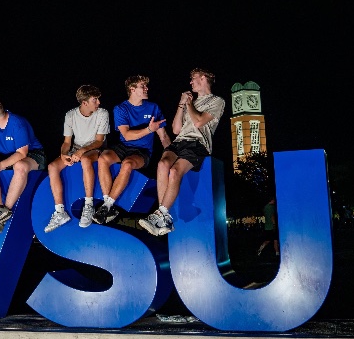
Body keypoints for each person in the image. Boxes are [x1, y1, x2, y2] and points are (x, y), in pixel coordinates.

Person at [139, 68, 225, 236]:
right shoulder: (187, 103)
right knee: (163, 164)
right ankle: (163, 215)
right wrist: (181, 104)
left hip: (197, 144)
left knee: (175, 171)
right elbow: (176, 129)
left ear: (203, 78)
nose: (191, 82)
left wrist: (189, 104)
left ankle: (162, 215)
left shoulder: (217, 101)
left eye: (193, 79)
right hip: (179, 143)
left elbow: (199, 122)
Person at [92, 75, 171, 224]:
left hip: (142, 152)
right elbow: (127, 136)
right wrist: (149, 129)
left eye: (147, 86)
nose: (147, 89)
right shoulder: (120, 108)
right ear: (132, 89)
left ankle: (107, 206)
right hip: (124, 146)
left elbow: (164, 137)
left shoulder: (153, 108)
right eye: (143, 86)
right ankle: (108, 204)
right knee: (103, 158)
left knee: (127, 164)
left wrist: (172, 154)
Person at [44, 85, 110, 232]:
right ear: (84, 102)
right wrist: (63, 154)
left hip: (95, 149)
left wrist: (81, 152)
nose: (98, 102)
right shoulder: (70, 115)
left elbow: (99, 141)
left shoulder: (102, 113)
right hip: (76, 148)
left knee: (86, 160)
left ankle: (89, 205)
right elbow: (67, 142)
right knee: (52, 167)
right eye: (95, 100)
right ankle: (60, 211)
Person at [0, 98, 46, 232]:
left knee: (20, 166)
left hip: (33, 155)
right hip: (8, 156)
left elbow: (22, 153)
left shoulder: (17, 123)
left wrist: (1, 166)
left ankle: (6, 210)